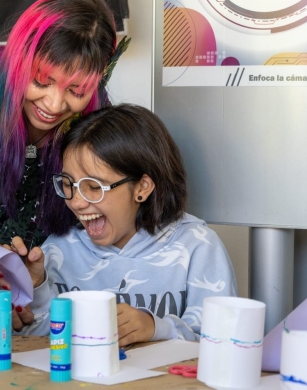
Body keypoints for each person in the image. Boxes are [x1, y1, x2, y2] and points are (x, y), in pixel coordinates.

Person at [0, 0, 128, 258]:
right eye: (42, 81)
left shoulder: (95, 113)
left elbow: (88, 214)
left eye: (76, 92)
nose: (54, 105)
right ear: (20, 58)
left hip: (49, 270)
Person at [19, 104, 237, 345]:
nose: (77, 202)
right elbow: (34, 342)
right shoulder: (59, 249)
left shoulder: (198, 246)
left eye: (94, 187)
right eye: (69, 184)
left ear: (142, 187)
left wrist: (156, 327)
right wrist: (36, 287)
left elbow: (225, 342)